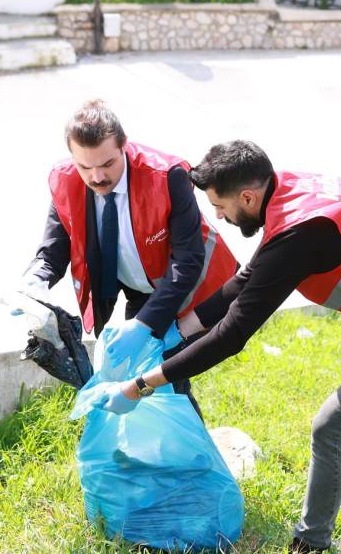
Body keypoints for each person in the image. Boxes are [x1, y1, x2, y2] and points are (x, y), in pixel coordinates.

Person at [96, 140, 341, 554]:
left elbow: (232, 334)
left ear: (248, 197)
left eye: (220, 206)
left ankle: (309, 549)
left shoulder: (300, 235)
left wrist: (141, 385)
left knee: (333, 426)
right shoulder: (287, 194)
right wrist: (173, 331)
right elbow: (246, 282)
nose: (218, 217)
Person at [20, 100, 237, 404]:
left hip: (192, 287)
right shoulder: (65, 180)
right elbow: (54, 248)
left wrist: (143, 325)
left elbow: (187, 262)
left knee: (167, 381)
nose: (97, 177)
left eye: (107, 164)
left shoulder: (167, 176)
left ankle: (188, 437)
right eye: (85, 167)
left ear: (124, 145)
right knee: (144, 385)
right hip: (140, 292)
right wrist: (35, 280)